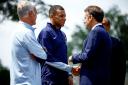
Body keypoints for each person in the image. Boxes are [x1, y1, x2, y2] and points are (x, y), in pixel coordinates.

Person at [69, 5, 112, 85]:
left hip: (91, 79)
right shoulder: (104, 32)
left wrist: (72, 57)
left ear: (90, 17)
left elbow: (86, 56)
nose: (84, 21)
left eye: (85, 17)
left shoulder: (96, 32)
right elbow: (95, 58)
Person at [10, 1, 47, 85]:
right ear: (31, 13)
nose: (37, 15)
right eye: (36, 12)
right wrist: (42, 50)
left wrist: (39, 51)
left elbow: (39, 54)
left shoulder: (17, 31)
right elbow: (43, 56)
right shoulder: (26, 33)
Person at [37, 5, 74, 85]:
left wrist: (69, 74)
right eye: (61, 16)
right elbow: (47, 59)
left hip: (63, 78)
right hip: (50, 79)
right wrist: (70, 69)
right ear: (52, 16)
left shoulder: (63, 34)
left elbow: (64, 56)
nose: (64, 18)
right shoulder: (46, 33)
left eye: (65, 16)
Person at [102, 17, 126, 85]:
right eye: (99, 25)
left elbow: (122, 67)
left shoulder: (117, 43)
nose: (102, 26)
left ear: (109, 27)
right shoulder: (91, 42)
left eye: (104, 24)